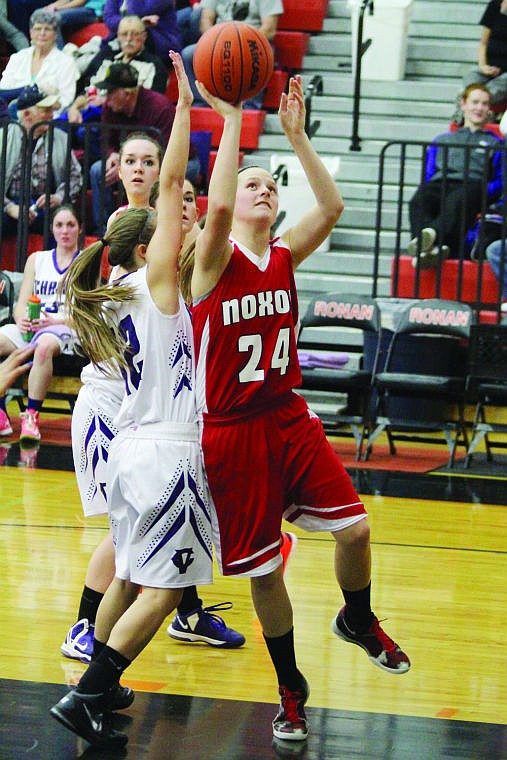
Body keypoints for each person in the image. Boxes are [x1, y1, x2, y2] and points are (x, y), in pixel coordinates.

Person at [190, 74, 411, 744]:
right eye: (252, 182)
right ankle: (290, 689)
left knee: (357, 531)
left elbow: (335, 205)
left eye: (270, 184)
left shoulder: (283, 255)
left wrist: (295, 138)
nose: (263, 189)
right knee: (264, 573)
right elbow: (220, 213)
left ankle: (356, 618)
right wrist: (231, 121)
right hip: (231, 432)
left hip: (287, 416)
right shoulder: (209, 261)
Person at [48, 51, 244, 748]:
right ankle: (88, 694)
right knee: (162, 593)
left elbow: (199, 214)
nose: (185, 225)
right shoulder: (159, 286)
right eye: (173, 225)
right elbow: (194, 198)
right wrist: (204, 113)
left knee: (127, 579)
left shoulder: (121, 295)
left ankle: (95, 689)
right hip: (167, 454)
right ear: (148, 248)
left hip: (131, 451)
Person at [70, 61, 198, 233]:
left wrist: (131, 165)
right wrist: (113, 156)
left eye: (110, 92)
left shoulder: (160, 108)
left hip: (176, 162)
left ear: (127, 94)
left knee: (164, 175)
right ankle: (106, 230)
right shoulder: (110, 107)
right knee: (97, 171)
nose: (106, 97)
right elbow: (106, 140)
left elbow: (171, 151)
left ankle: (157, 226)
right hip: (135, 160)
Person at [0, 204, 82, 442]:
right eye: (59, 225)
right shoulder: (37, 260)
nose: (65, 230)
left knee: (44, 346)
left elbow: (89, 314)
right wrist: (21, 319)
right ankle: (1, 411)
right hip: (33, 326)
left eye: (70, 225)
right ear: (52, 229)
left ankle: (31, 416)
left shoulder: (86, 261)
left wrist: (54, 321)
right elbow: (20, 303)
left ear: (79, 229)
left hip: (66, 327)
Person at [408, 83, 503, 270]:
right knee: (419, 199)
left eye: (484, 104)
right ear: (463, 104)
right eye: (475, 102)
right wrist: (428, 186)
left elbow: (501, 178)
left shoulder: (496, 143)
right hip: (442, 183)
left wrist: (486, 189)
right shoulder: (443, 139)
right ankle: (430, 249)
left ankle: (428, 239)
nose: (479, 108)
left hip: (474, 186)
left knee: (458, 200)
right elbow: (429, 172)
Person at [0, 83, 83, 238]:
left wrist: (58, 197)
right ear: (26, 115)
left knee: (62, 221)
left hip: (44, 208)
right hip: (9, 205)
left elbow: (75, 177)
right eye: (46, 110)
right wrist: (10, 207)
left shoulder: (61, 138)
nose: (52, 115)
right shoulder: (3, 137)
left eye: (52, 110)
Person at [181, 0, 282, 108]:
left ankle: (249, 108)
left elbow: (269, 29)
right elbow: (205, 21)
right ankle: (201, 104)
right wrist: (214, 43)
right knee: (188, 54)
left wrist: (242, 44)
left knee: (253, 57)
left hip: (252, 41)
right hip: (219, 42)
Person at [0, 9, 78, 115]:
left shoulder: (66, 62)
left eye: (47, 29)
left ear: (55, 35)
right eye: (38, 29)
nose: (42, 33)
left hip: (46, 118)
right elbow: (3, 89)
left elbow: (65, 101)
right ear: (31, 32)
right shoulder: (18, 58)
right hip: (11, 116)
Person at [71, 13, 168, 96]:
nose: (129, 39)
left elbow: (153, 104)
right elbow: (88, 87)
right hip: (92, 110)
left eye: (135, 34)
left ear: (144, 37)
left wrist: (105, 102)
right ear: (118, 36)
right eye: (124, 34)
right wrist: (79, 101)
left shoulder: (155, 66)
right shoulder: (107, 59)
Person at [460, 0, 507, 110]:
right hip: (489, 68)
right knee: (471, 77)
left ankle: (473, 105)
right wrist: (483, 66)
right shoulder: (494, 5)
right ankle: (471, 110)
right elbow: (483, 43)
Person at [103, 0, 181, 59]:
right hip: (121, 39)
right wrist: (139, 22)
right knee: (103, 56)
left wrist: (136, 24)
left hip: (160, 42)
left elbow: (136, 12)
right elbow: (109, 18)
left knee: (138, 33)